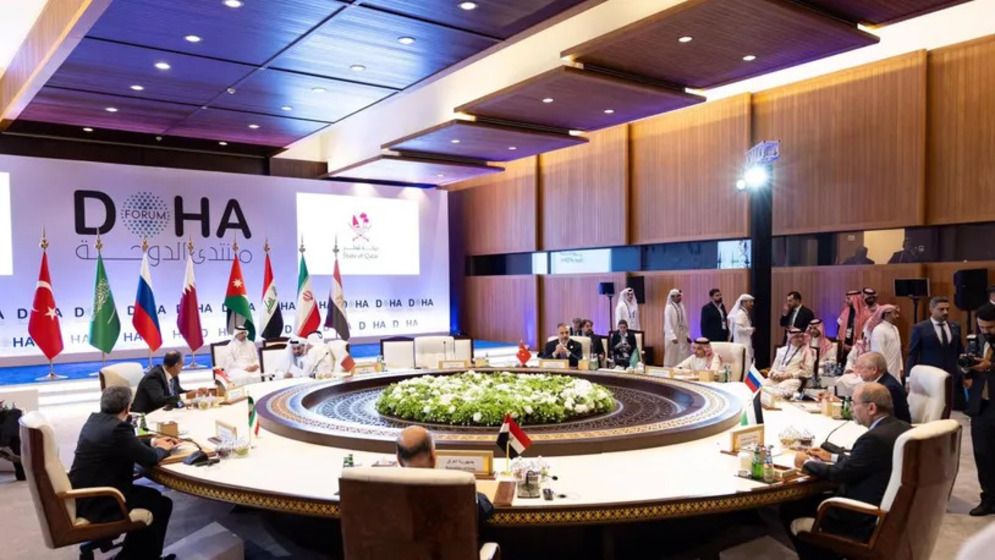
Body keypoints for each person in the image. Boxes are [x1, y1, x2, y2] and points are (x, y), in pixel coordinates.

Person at [793, 383, 911, 546]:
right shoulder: (903, 428)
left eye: (854, 403)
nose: (851, 408)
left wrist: (805, 463)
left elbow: (839, 474)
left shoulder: (874, 439)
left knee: (791, 508)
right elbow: (864, 462)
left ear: (871, 408)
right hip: (890, 512)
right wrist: (831, 456)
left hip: (859, 516)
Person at [69, 386, 178, 560]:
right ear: (127, 408)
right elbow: (149, 459)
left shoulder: (95, 421)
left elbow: (127, 443)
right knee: (161, 504)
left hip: (84, 495)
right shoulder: (118, 429)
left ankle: (132, 555)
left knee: (154, 498)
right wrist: (164, 449)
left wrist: (154, 441)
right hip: (103, 500)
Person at [395, 426, 494, 525]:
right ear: (433, 458)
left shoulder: (389, 493)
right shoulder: (455, 491)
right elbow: (486, 509)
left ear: (399, 459)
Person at [906, 296, 965, 410]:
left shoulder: (955, 326)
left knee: (954, 408)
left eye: (947, 309)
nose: (945, 312)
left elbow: (960, 351)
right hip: (931, 375)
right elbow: (913, 354)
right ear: (931, 309)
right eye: (941, 309)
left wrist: (965, 374)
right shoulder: (920, 328)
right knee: (935, 408)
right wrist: (908, 378)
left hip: (952, 375)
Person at [965, 303, 995, 516]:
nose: (985, 331)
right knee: (982, 454)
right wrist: (966, 369)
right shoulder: (978, 340)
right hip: (981, 405)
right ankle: (989, 498)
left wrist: (990, 366)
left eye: (990, 327)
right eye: (982, 327)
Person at [849, 351, 911, 423]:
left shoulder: (889, 388)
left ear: (874, 370)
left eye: (861, 368)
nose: (859, 372)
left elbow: (884, 417)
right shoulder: (880, 382)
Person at [764, 328, 813, 397]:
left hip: (792, 379)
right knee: (762, 385)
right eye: (797, 337)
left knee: (776, 391)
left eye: (801, 336)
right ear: (790, 337)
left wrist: (789, 375)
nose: (800, 339)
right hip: (777, 378)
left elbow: (808, 372)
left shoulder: (806, 352)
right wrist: (773, 375)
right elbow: (774, 368)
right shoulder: (782, 350)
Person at [869, 304, 904, 383]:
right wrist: (883, 370)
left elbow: (898, 350)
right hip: (885, 370)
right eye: (894, 313)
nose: (897, 316)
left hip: (896, 369)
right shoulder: (879, 330)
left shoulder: (895, 328)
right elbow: (878, 353)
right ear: (886, 314)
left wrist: (901, 367)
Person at [837, 290, 870, 360]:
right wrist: (843, 344)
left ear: (856, 299)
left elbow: (866, 335)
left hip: (859, 350)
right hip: (844, 348)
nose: (846, 301)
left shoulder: (866, 314)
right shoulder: (844, 312)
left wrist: (855, 347)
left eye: (848, 298)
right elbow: (838, 329)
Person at [663, 289, 691, 367]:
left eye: (680, 296)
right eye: (677, 296)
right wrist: (672, 336)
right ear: (672, 297)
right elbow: (667, 323)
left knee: (683, 353)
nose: (680, 297)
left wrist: (687, 335)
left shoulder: (681, 306)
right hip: (672, 335)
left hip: (682, 334)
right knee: (671, 355)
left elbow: (685, 322)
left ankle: (681, 369)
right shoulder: (669, 308)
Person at [727, 294, 756, 365]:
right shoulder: (741, 314)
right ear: (744, 302)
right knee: (743, 362)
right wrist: (751, 329)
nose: (752, 304)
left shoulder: (744, 313)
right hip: (742, 342)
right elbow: (739, 329)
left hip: (745, 341)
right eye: (750, 302)